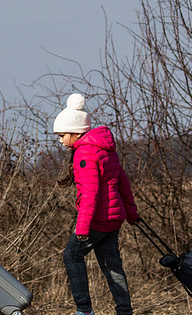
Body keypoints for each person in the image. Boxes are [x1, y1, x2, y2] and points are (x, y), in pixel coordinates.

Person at [54, 93, 139, 315]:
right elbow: (123, 182)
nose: (61, 141)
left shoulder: (85, 154)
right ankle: (124, 310)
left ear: (75, 132)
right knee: (112, 266)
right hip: (113, 219)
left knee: (71, 255)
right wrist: (131, 213)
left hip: (97, 220)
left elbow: (90, 193)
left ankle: (84, 310)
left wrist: (82, 228)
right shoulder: (105, 149)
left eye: (62, 135)